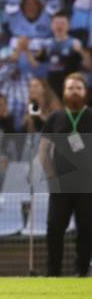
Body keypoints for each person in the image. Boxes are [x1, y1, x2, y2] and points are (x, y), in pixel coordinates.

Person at [39, 73, 92, 277]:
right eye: (70, 88)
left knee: (86, 230)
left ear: (85, 92)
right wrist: (52, 178)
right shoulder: (55, 118)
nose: (74, 92)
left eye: (78, 88)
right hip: (61, 185)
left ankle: (82, 271)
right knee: (54, 229)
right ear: (64, 92)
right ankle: (53, 272)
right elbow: (43, 152)